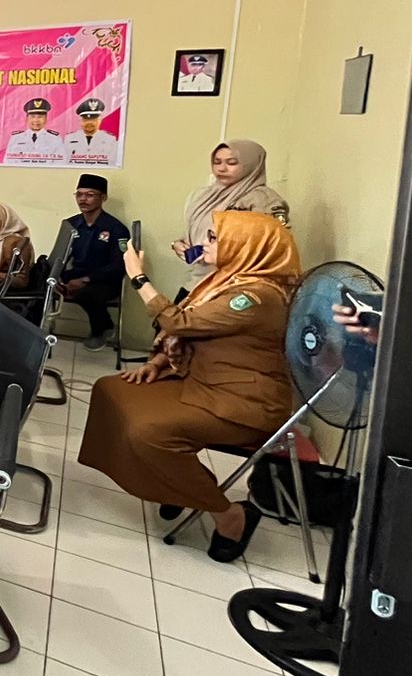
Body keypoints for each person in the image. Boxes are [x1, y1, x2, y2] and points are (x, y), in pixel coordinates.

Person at [79, 211, 301, 561]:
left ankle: (229, 516)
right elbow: (193, 334)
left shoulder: (255, 297)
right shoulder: (227, 280)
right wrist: (157, 363)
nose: (206, 243)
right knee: (112, 389)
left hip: (244, 402)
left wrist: (138, 277)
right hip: (202, 381)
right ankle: (174, 484)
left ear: (246, 247)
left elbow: (180, 322)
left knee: (149, 434)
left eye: (215, 238)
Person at [175, 139, 290, 280]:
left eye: (231, 163)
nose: (222, 168)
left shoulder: (263, 200)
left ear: (251, 165)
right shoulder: (204, 196)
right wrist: (179, 244)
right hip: (197, 281)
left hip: (233, 283)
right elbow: (200, 231)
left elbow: (269, 247)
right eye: (217, 162)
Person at [59, 173, 131, 351]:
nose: (83, 199)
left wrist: (85, 280)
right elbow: (61, 255)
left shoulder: (116, 229)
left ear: (103, 198)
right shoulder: (71, 224)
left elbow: (119, 266)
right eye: (79, 194)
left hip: (103, 280)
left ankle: (102, 328)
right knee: (43, 281)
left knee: (87, 293)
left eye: (90, 195)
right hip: (76, 273)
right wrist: (60, 278)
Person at [3, 97, 65, 165]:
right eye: (33, 116)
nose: (36, 120)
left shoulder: (55, 139)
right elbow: (8, 162)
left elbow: (60, 163)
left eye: (40, 117)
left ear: (46, 119)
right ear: (27, 119)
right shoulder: (16, 138)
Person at [64, 98, 119, 165]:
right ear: (80, 121)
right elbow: (64, 162)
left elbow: (113, 163)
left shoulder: (110, 139)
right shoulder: (69, 138)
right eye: (85, 120)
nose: (89, 123)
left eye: (93, 120)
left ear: (100, 120)